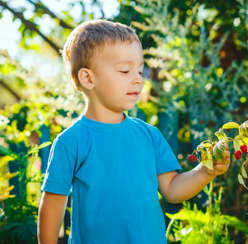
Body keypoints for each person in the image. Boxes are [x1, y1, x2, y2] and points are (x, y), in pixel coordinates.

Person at [37, 19, 231, 244]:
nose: (138, 79)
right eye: (125, 70)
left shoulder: (149, 136)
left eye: (140, 70)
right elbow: (52, 206)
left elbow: (172, 189)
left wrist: (204, 172)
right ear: (88, 78)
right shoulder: (71, 142)